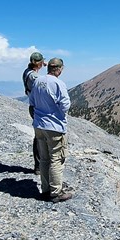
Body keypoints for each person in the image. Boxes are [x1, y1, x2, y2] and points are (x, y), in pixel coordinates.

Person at [28, 57, 72, 202]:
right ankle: (56, 192)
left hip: (39, 125)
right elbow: (65, 105)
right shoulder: (58, 83)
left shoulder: (38, 81)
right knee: (56, 159)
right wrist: (56, 112)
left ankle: (46, 189)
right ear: (60, 69)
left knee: (44, 158)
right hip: (54, 126)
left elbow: (32, 102)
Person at [22, 52, 45, 172]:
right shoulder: (34, 77)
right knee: (40, 136)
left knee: (39, 135)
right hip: (38, 107)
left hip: (33, 106)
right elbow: (43, 90)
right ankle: (39, 166)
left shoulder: (27, 71)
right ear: (39, 63)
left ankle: (39, 165)